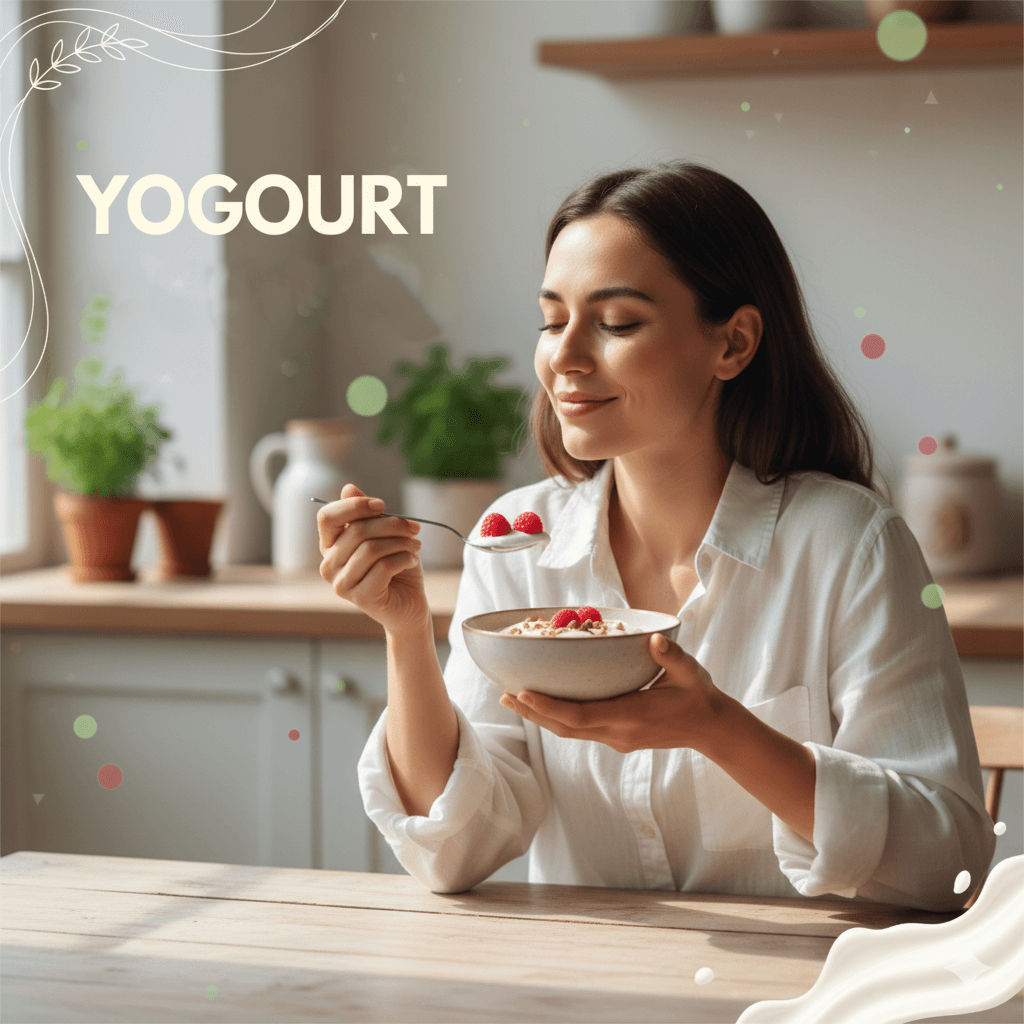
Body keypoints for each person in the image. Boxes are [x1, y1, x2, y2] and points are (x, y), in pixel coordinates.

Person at [318, 161, 994, 910]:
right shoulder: (520, 542)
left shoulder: (850, 545)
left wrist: (720, 729)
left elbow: (950, 862)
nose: (564, 358)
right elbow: (453, 853)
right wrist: (406, 633)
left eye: (616, 323)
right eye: (552, 319)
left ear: (733, 344)